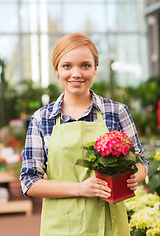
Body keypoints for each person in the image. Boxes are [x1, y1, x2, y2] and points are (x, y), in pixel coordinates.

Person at [20, 33, 149, 236]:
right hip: (61, 226)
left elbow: (140, 161)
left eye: (85, 65)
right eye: (67, 66)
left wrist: (136, 176)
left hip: (110, 224)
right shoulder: (41, 118)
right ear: (56, 70)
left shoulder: (116, 112)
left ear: (95, 68)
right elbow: (29, 182)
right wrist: (80, 189)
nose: (76, 73)